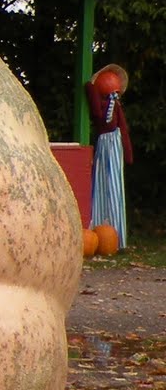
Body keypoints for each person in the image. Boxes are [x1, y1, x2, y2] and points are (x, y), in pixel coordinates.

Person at [86, 62, 131, 249]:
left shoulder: (116, 107)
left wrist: (128, 154)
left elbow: (123, 129)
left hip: (114, 145)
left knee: (114, 186)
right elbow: (96, 112)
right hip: (104, 143)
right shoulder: (102, 104)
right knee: (101, 182)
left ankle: (115, 236)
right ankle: (100, 226)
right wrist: (90, 88)